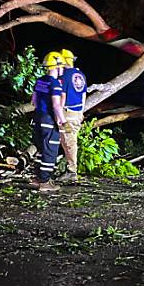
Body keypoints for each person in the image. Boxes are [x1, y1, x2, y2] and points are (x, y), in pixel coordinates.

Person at [30, 51, 67, 192]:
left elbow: (33, 101)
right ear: (56, 67)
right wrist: (62, 120)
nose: (62, 69)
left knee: (40, 150)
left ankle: (38, 178)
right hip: (48, 121)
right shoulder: (55, 84)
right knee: (50, 152)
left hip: (37, 119)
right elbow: (56, 105)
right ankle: (45, 182)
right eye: (61, 66)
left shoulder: (40, 80)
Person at [58, 48, 87, 184]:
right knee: (69, 141)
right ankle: (68, 169)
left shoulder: (64, 76)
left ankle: (71, 171)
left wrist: (59, 112)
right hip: (77, 113)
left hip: (67, 113)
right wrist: (81, 112)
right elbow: (83, 95)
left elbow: (62, 95)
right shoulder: (80, 74)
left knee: (68, 142)